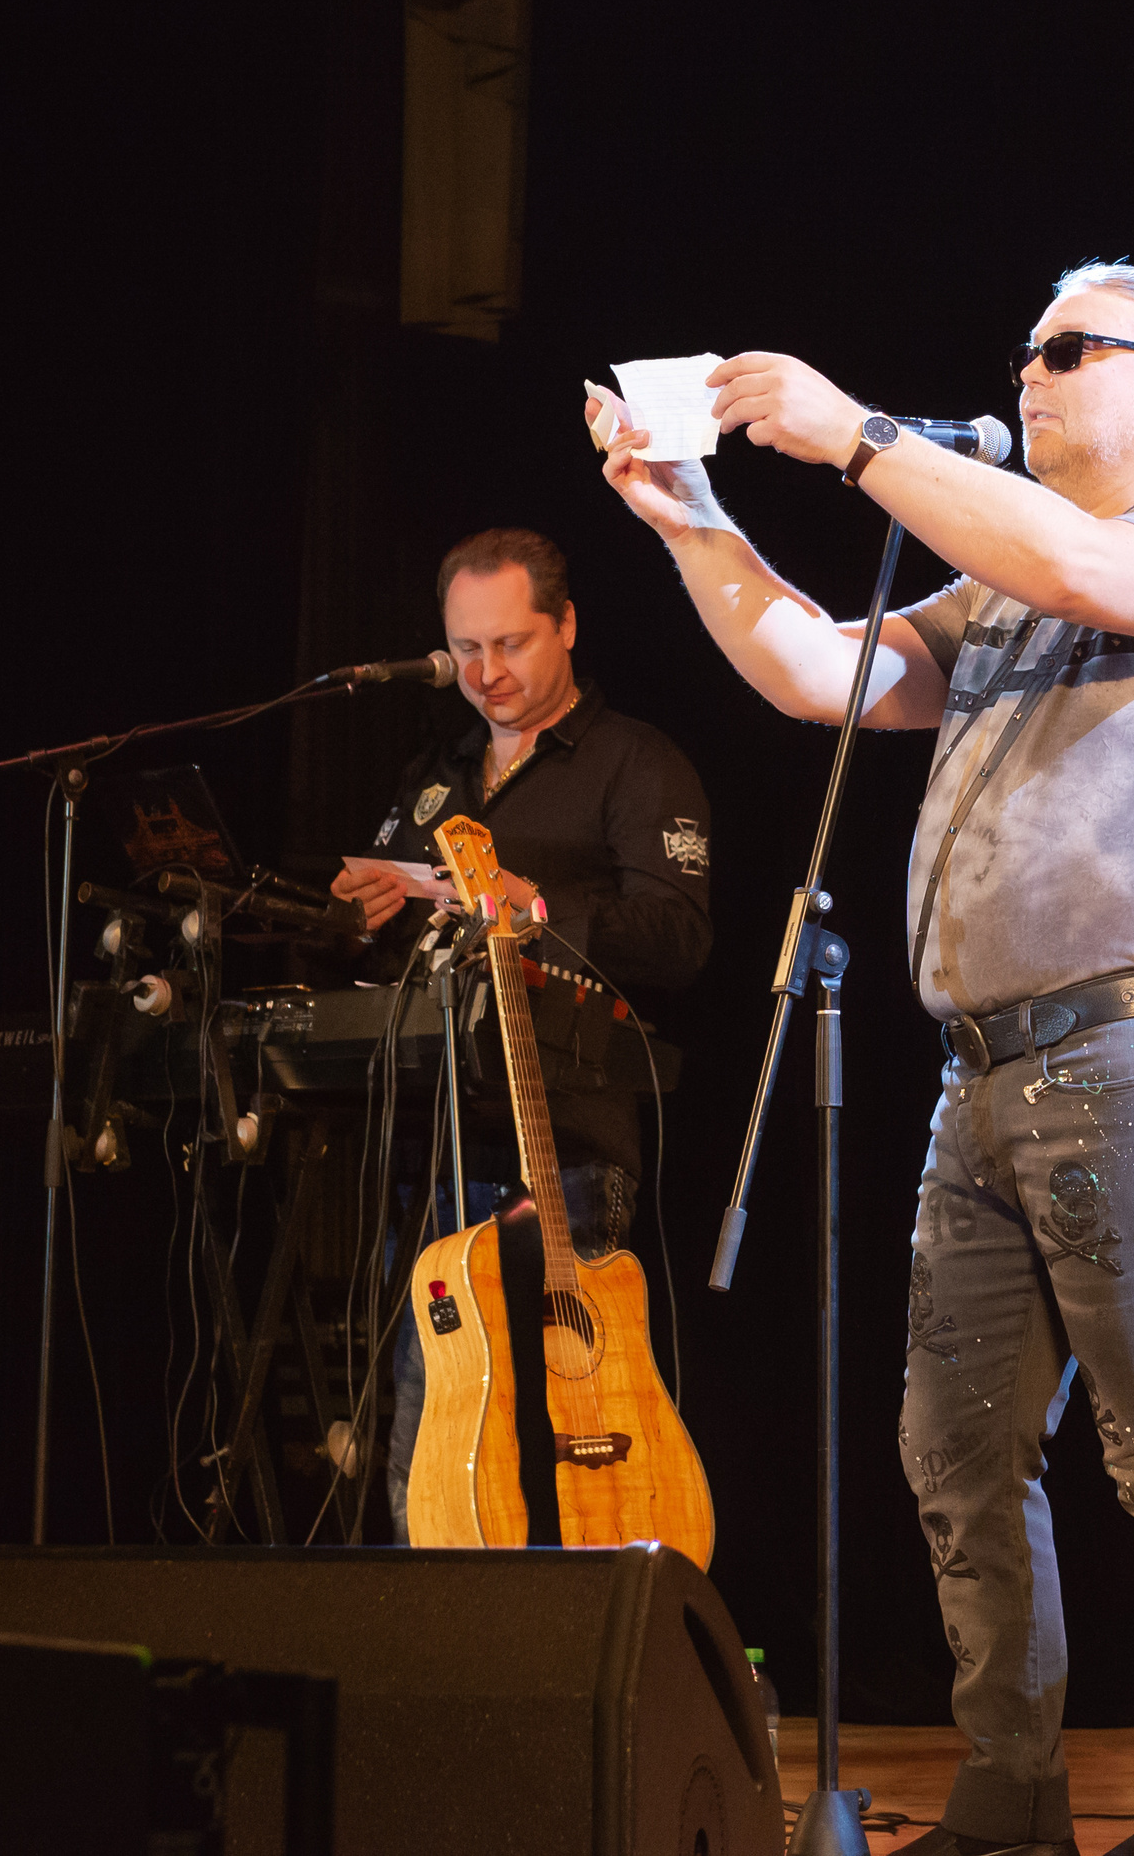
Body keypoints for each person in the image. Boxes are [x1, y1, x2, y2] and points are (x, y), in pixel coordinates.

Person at [592, 263, 1134, 1856]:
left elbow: (1074, 556)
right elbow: (822, 670)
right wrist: (692, 517)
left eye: (1069, 349)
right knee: (958, 1447)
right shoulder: (1007, 575)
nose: (1030, 375)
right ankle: (1010, 1793)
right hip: (983, 1078)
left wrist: (852, 437)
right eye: (1024, 352)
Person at [330, 525, 712, 1541]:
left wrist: (529, 906)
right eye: (465, 651)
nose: (487, 673)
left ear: (567, 626)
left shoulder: (636, 761)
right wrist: (362, 910)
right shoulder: (434, 772)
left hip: (564, 1140)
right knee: (434, 1421)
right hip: (430, 1142)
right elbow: (373, 941)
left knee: (559, 1425)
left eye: (511, 644)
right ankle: (440, 1647)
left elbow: (678, 933)